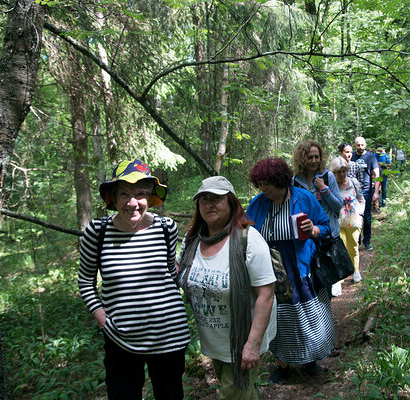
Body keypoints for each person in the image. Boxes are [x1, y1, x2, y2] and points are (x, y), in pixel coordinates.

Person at [78, 159, 190, 400]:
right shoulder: (97, 232)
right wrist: (103, 320)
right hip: (120, 339)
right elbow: (86, 281)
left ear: (150, 197)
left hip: (170, 336)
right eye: (124, 194)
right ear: (113, 198)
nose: (132, 203)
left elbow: (171, 272)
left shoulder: (166, 227)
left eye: (140, 194)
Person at [177, 176, 276, 399]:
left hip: (243, 339)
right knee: (243, 393)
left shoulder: (248, 240)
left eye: (217, 199)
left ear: (231, 203)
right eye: (204, 199)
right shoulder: (192, 239)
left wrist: (252, 344)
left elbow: (266, 295)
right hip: (214, 339)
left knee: (232, 394)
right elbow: (181, 275)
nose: (209, 204)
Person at [246, 157, 333, 384]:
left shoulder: (303, 198)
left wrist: (314, 229)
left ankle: (309, 359)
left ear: (281, 181)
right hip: (269, 271)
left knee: (305, 315)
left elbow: (326, 226)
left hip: (299, 268)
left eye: (268, 184)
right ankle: (282, 364)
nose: (264, 189)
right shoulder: (257, 203)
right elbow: (246, 234)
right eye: (261, 184)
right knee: (277, 317)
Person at [292, 140, 343, 296]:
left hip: (326, 237)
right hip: (306, 239)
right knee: (309, 281)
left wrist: (324, 189)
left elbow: (338, 206)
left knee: (325, 281)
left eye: (317, 157)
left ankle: (325, 316)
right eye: (310, 157)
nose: (314, 161)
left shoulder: (327, 177)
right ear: (302, 159)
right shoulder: (295, 181)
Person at [329, 157, 365, 283]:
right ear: (334, 172)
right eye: (339, 171)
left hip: (354, 221)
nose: (342, 174)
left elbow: (361, 198)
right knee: (340, 249)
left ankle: (356, 270)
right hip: (337, 222)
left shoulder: (353, 182)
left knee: (353, 247)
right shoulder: (331, 186)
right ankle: (339, 279)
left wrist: (360, 213)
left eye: (344, 171)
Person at [352, 137, 380, 249]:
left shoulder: (371, 157)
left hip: (367, 190)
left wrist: (376, 192)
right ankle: (357, 241)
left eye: (362, 145)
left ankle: (367, 241)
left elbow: (377, 175)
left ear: (365, 145)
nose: (360, 147)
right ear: (355, 145)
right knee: (355, 217)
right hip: (353, 191)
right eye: (358, 145)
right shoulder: (351, 156)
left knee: (367, 217)